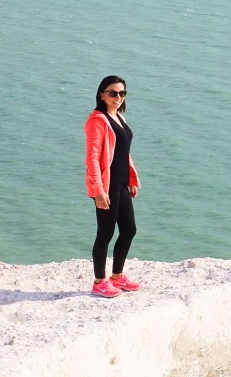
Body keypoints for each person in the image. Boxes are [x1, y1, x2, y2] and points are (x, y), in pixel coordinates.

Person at [84, 75, 142, 298]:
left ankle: (117, 277)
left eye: (122, 93)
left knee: (129, 230)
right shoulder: (97, 121)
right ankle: (100, 282)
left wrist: (132, 179)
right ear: (102, 95)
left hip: (121, 184)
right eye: (113, 93)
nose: (118, 97)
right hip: (106, 187)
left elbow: (123, 152)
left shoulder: (118, 117)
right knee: (105, 233)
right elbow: (92, 158)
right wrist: (98, 191)